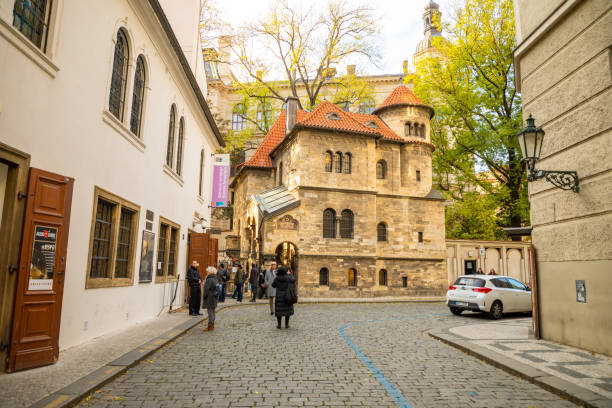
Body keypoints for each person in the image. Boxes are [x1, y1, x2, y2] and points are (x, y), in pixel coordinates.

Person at [202, 266, 219, 331]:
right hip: (214, 297)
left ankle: (210, 326)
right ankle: (212, 325)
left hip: (210, 297)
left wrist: (204, 296)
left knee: (210, 311)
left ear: (210, 272)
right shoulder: (215, 278)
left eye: (207, 271)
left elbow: (206, 289)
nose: (206, 272)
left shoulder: (209, 279)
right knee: (213, 311)